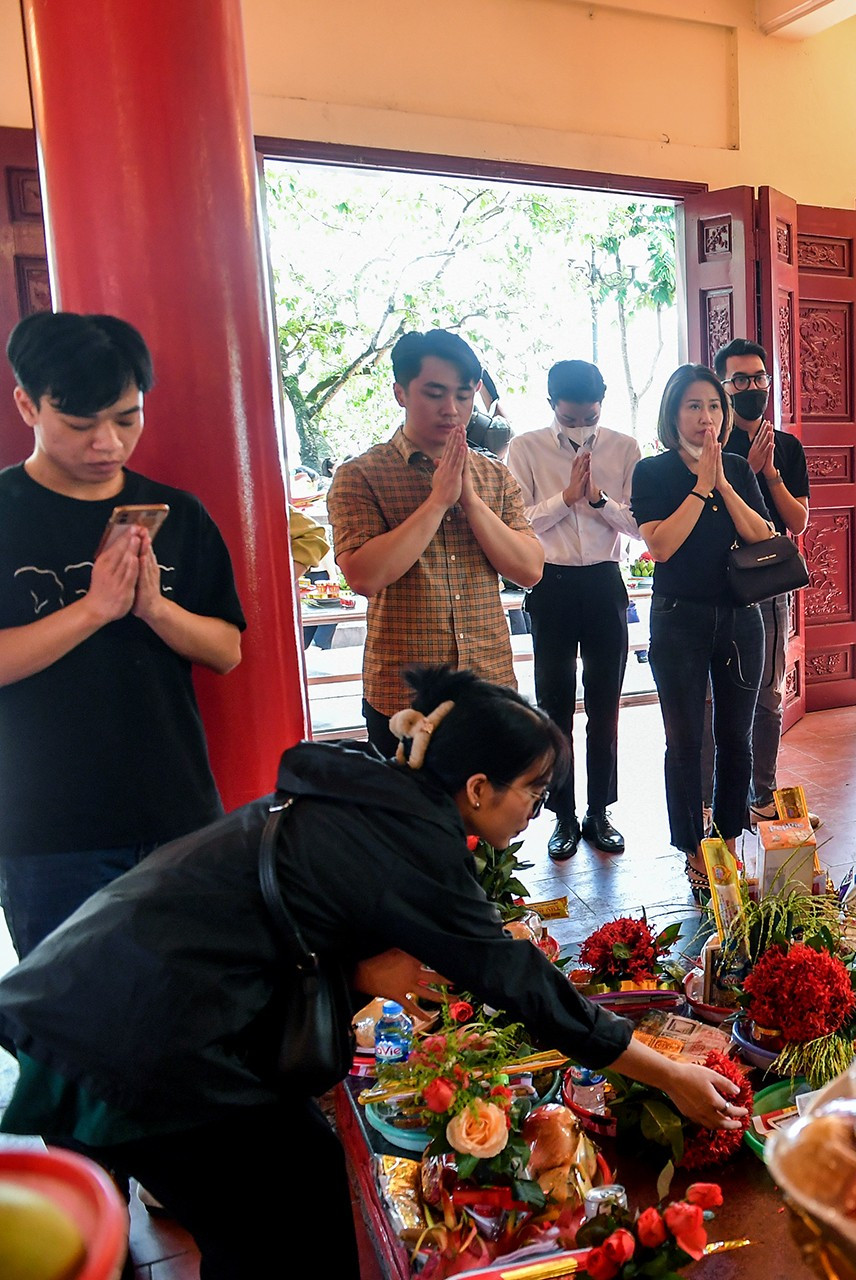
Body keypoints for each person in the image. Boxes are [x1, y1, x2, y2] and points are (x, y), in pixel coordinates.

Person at [0, 667, 745, 1280]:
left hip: (108, 983)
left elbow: (299, 905)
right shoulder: (413, 850)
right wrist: (670, 1075)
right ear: (479, 787)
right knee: (289, 1218)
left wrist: (356, 968)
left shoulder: (370, 787)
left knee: (276, 1200)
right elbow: (525, 985)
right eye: (533, 792)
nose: (536, 810)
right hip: (140, 1025)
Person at [0, 313, 245, 959]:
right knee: (71, 1028)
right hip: (50, 828)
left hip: (179, 813)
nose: (107, 442)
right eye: (81, 424)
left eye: (127, 418)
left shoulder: (181, 514)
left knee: (189, 1007)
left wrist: (155, 609)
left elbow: (226, 651)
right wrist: (93, 609)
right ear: (28, 403)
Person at [329, 330, 545, 759]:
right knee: (408, 824)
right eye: (435, 393)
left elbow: (529, 570)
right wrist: (437, 500)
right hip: (403, 697)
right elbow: (365, 577)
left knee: (493, 819)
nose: (452, 410)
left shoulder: (494, 476)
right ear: (400, 393)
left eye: (464, 397)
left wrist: (469, 499)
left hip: (489, 684)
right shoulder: (361, 475)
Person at [631, 364, 776, 888]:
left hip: (740, 616)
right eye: (694, 406)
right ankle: (693, 847)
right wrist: (698, 488)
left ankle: (730, 841)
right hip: (679, 618)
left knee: (737, 736)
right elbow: (662, 546)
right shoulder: (652, 473)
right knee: (685, 739)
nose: (706, 417)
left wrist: (722, 484)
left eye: (714, 406)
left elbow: (762, 536)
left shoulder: (736, 466)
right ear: (673, 414)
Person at [504, 360, 644, 862]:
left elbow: (641, 527)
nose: (582, 426)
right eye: (571, 418)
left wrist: (599, 500)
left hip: (606, 583)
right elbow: (514, 523)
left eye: (590, 416)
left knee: (605, 706)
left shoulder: (624, 448)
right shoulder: (524, 448)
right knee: (554, 705)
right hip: (550, 584)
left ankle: (600, 811)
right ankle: (561, 815)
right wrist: (565, 499)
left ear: (602, 403)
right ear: (551, 407)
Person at [701, 337, 810, 821]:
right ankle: (710, 801)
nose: (752, 387)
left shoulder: (785, 445)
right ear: (723, 387)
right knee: (712, 695)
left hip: (767, 585)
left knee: (768, 692)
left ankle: (761, 796)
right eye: (739, 379)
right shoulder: (710, 446)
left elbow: (799, 521)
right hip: (714, 586)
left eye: (759, 378)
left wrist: (769, 475)